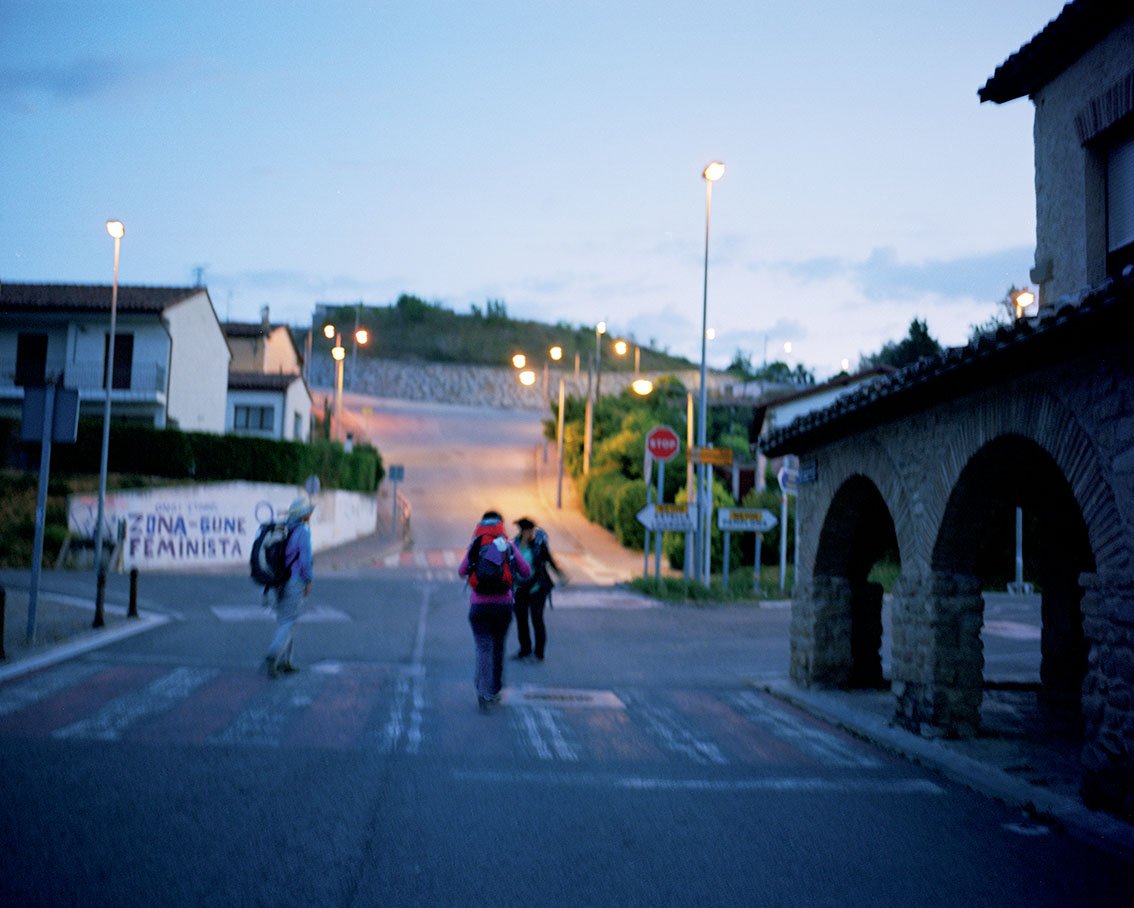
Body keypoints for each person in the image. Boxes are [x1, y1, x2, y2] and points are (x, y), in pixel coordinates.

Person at [458, 510, 530, 711]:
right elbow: (526, 571)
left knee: (483, 647)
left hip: (479, 606)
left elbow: (461, 571)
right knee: (498, 647)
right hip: (503, 606)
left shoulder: (476, 545)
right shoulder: (507, 545)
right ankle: (496, 689)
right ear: (500, 525)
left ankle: (483, 690)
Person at [264, 495, 314, 679]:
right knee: (289, 621)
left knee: (286, 620)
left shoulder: (285, 529)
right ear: (303, 515)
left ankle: (286, 662)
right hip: (295, 582)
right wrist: (308, 581)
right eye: (308, 512)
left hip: (280, 582)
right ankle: (274, 656)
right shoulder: (302, 532)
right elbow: (305, 561)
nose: (310, 514)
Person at [511, 516, 567, 662]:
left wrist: (560, 574)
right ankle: (525, 649)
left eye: (531, 531)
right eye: (527, 531)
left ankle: (539, 653)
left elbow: (549, 560)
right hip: (520, 588)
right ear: (522, 531)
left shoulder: (538, 545)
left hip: (536, 588)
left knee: (537, 619)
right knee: (521, 620)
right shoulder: (515, 545)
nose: (530, 533)